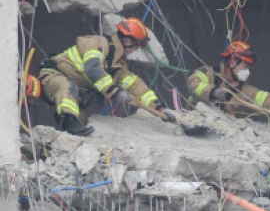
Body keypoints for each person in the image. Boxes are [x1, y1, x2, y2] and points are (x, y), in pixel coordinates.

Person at [38, 18, 171, 136]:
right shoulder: (98, 43)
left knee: (81, 125)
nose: (135, 50)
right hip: (54, 76)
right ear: (126, 40)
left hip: (74, 93)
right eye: (136, 45)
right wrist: (114, 92)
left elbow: (135, 84)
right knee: (68, 88)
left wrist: (157, 106)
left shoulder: (117, 63)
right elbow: (93, 69)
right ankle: (70, 123)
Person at [187, 40, 270, 135]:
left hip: (218, 133)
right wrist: (212, 92)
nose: (248, 71)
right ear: (232, 62)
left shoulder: (245, 91)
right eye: (245, 67)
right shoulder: (207, 74)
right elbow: (194, 84)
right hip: (192, 125)